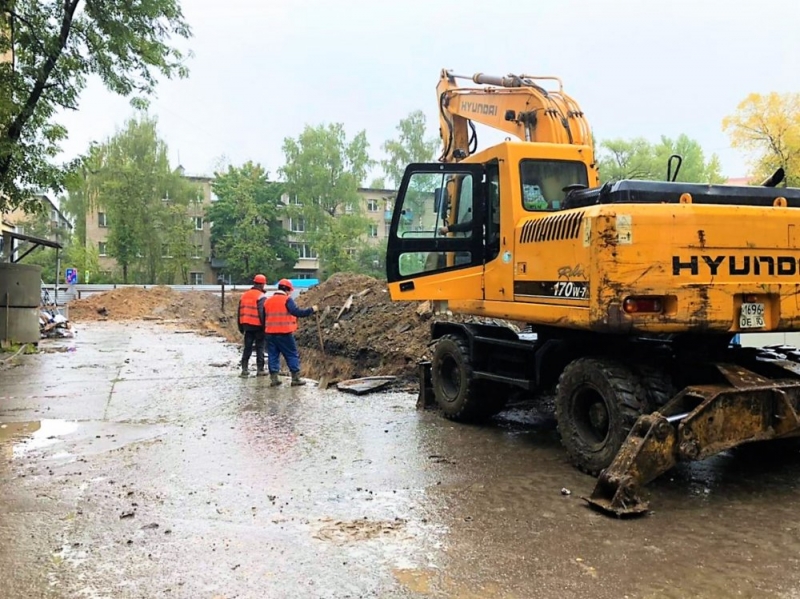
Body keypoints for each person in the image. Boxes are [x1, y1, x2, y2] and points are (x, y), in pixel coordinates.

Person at [260, 278, 319, 387]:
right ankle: (295, 378)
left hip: (270, 333)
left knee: (273, 355)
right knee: (291, 354)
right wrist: (311, 310)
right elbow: (296, 312)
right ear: (287, 290)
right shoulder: (287, 300)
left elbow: (263, 318)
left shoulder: (267, 301)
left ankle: (274, 379)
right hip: (284, 333)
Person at [237, 273, 267, 377]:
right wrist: (265, 327)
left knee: (247, 348)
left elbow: (239, 312)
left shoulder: (244, 295)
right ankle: (260, 369)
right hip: (258, 326)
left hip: (247, 326)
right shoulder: (261, 296)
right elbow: (262, 312)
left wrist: (240, 327)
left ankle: (244, 370)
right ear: (263, 284)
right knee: (260, 347)